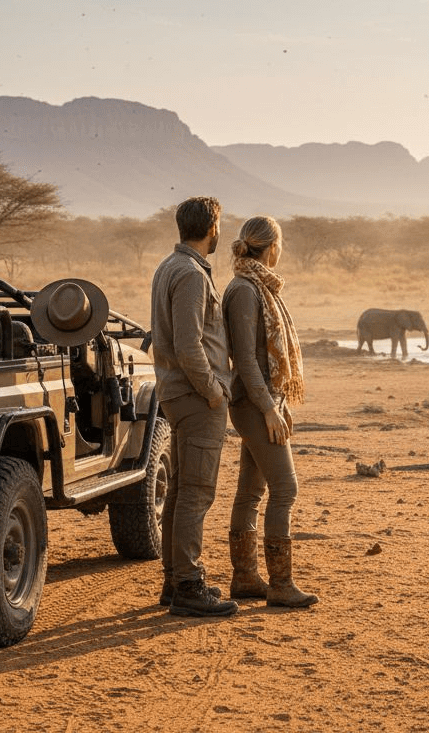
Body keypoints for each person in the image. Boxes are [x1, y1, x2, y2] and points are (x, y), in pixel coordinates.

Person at [222, 215, 318, 608]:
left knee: (251, 491)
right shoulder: (245, 290)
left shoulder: (258, 287)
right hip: (251, 403)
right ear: (272, 246)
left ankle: (245, 577)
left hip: (260, 401)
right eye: (281, 243)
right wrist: (269, 409)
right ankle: (280, 584)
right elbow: (245, 360)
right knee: (285, 489)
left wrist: (277, 404)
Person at [148, 196, 238, 617]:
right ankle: (188, 584)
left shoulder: (171, 265)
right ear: (212, 227)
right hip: (195, 395)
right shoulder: (190, 273)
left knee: (183, 490)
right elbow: (189, 345)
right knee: (196, 493)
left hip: (177, 393)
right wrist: (214, 390)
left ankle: (174, 580)